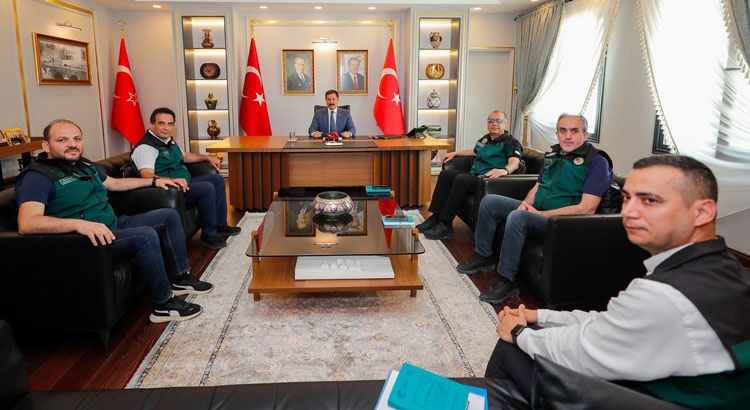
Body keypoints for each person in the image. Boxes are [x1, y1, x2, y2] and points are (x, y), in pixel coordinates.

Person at [485, 155, 750, 407]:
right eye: (627, 198)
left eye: (650, 200)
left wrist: (518, 333)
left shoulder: (665, 295)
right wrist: (539, 316)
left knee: (513, 349)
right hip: (684, 392)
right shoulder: (719, 268)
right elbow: (611, 324)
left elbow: (583, 351)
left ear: (703, 212)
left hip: (650, 401)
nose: (629, 211)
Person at [15, 119, 212, 323]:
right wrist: (78, 225)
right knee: (145, 236)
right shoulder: (37, 177)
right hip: (84, 241)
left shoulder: (84, 165)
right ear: (46, 145)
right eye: (62, 140)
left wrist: (155, 180)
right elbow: (27, 223)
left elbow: (115, 184)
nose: (72, 144)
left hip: (113, 224)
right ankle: (163, 305)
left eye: (77, 139)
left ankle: (181, 278)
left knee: (168, 216)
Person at [457, 113, 613, 305]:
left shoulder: (597, 162)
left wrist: (540, 214)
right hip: (538, 212)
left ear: (585, 134)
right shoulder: (553, 155)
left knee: (518, 217)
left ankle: (506, 281)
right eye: (563, 131)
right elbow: (538, 187)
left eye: (574, 131)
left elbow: (587, 208)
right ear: (557, 133)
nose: (567, 136)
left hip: (563, 222)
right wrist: (525, 204)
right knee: (490, 202)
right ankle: (484, 256)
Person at [131, 107, 240, 250]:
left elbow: (185, 156)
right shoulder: (146, 148)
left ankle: (220, 226)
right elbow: (146, 174)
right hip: (168, 191)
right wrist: (171, 181)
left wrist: (207, 157)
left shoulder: (167, 141)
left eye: (170, 124)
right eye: (161, 123)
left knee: (217, 180)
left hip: (183, 183)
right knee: (206, 188)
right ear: (151, 125)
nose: (166, 128)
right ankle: (208, 235)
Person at [417, 111, 523, 240]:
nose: (494, 123)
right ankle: (436, 216)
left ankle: (446, 224)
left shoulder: (511, 142)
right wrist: (455, 153)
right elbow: (474, 151)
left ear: (505, 125)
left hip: (489, 181)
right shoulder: (486, 139)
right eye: (491, 121)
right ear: (487, 124)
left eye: (498, 121)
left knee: (461, 179)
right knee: (446, 174)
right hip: (475, 176)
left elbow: (515, 163)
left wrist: (504, 170)